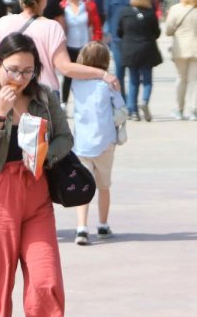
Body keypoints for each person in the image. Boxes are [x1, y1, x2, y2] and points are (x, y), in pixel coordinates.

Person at [0, 33, 72, 317]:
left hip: (36, 193)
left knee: (46, 279)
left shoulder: (43, 97)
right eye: (13, 70)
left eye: (28, 71)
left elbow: (65, 137)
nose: (20, 78)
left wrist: (45, 155)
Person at [0, 0, 120, 99]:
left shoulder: (3, 23)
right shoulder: (52, 27)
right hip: (43, 95)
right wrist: (102, 73)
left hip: (10, 93)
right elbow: (65, 68)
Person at [68, 41, 125, 246]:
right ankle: (102, 225)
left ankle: (81, 228)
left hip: (82, 142)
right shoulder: (108, 84)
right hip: (105, 141)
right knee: (104, 186)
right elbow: (121, 108)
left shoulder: (76, 84)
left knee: (83, 186)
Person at [163, 0, 197, 121]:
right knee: (195, 80)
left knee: (181, 78)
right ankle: (193, 111)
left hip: (181, 49)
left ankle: (178, 109)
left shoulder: (175, 9)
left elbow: (168, 30)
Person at [117, 0, 163, 121]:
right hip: (147, 50)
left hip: (131, 50)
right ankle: (145, 101)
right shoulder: (150, 14)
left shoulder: (125, 12)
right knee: (147, 80)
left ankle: (133, 111)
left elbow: (119, 32)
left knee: (133, 81)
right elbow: (156, 33)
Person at [101, 0, 143, 94]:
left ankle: (121, 100)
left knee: (119, 70)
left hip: (116, 33)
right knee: (134, 71)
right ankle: (132, 104)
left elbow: (106, 10)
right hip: (136, 36)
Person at [58, 0, 102, 104]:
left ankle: (86, 103)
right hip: (68, 47)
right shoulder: (62, 6)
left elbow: (97, 26)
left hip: (85, 48)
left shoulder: (88, 4)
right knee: (68, 76)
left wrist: (96, 42)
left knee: (85, 76)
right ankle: (64, 103)